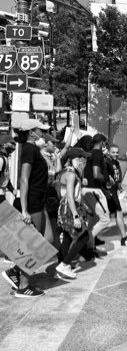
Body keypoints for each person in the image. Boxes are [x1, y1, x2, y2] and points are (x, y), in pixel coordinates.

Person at [2, 119, 50, 297]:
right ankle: (23, 286)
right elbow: (24, 179)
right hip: (31, 203)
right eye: (41, 130)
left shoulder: (32, 149)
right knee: (34, 247)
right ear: (31, 132)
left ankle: (15, 270)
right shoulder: (30, 149)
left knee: (47, 240)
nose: (44, 134)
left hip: (37, 201)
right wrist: (24, 210)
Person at [56, 148, 91, 279]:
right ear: (76, 160)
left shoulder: (72, 173)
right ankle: (64, 265)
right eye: (83, 158)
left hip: (69, 208)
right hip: (70, 209)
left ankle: (60, 269)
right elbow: (70, 196)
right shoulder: (71, 174)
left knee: (68, 238)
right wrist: (76, 216)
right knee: (84, 236)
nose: (85, 161)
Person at [82, 133, 112, 256]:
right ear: (101, 143)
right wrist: (107, 179)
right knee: (105, 219)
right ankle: (84, 242)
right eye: (105, 143)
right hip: (94, 190)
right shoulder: (97, 154)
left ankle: (90, 249)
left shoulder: (89, 153)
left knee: (93, 220)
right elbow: (96, 174)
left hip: (86, 189)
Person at [105, 144, 127, 246]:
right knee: (115, 213)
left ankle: (124, 237)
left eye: (117, 152)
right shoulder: (106, 162)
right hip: (108, 192)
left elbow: (117, 179)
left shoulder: (116, 163)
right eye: (113, 152)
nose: (115, 154)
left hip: (114, 191)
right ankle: (124, 237)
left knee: (118, 213)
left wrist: (121, 188)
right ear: (108, 152)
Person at [0, 134, 17, 204]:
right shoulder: (0, 159)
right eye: (12, 143)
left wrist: (12, 190)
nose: (14, 146)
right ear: (3, 145)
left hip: (2, 193)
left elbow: (5, 177)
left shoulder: (5, 158)